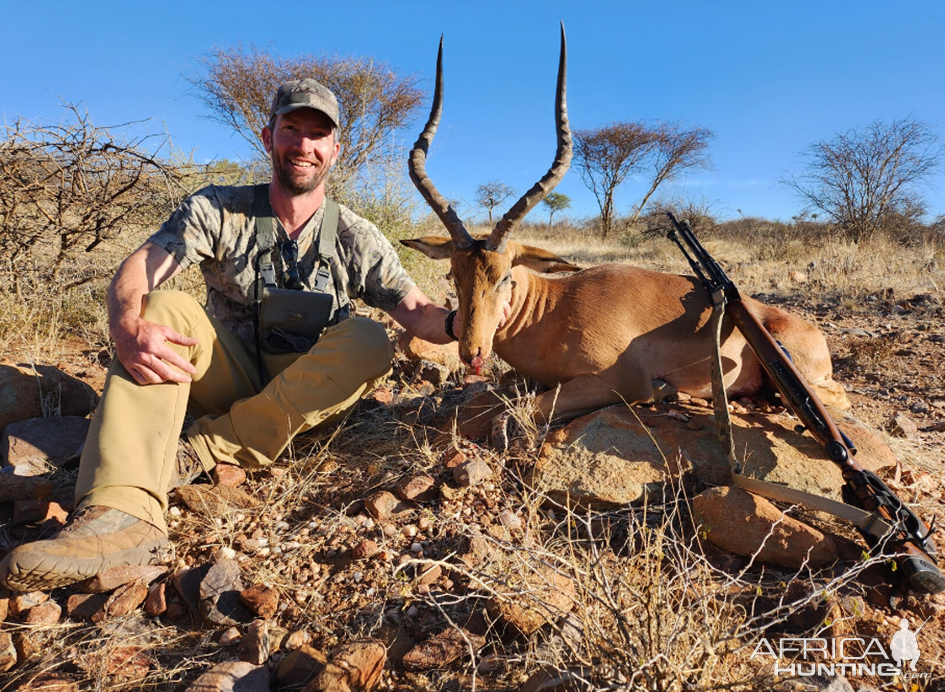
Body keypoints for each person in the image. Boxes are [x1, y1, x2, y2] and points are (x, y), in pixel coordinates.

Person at [0, 78, 467, 592]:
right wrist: (125, 322)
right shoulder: (219, 208)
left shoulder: (356, 234)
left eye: (318, 134)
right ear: (268, 136)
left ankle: (200, 450)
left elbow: (418, 311)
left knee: (371, 339)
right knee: (160, 307)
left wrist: (458, 323)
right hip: (232, 378)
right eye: (292, 129)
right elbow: (145, 264)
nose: (304, 146)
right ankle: (121, 514)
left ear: (337, 149)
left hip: (307, 402)